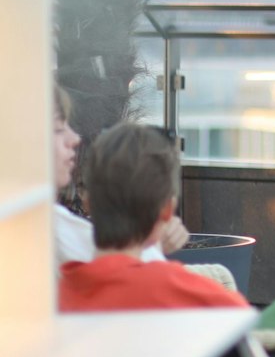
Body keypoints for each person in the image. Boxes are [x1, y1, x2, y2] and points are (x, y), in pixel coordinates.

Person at [59, 123, 249, 312]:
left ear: (88, 203)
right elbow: (242, 323)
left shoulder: (53, 294)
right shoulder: (186, 292)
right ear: (167, 211)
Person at [52, 88, 187, 265]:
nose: (75, 138)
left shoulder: (53, 225)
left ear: (89, 202)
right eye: (58, 129)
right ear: (167, 208)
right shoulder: (51, 233)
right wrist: (150, 242)